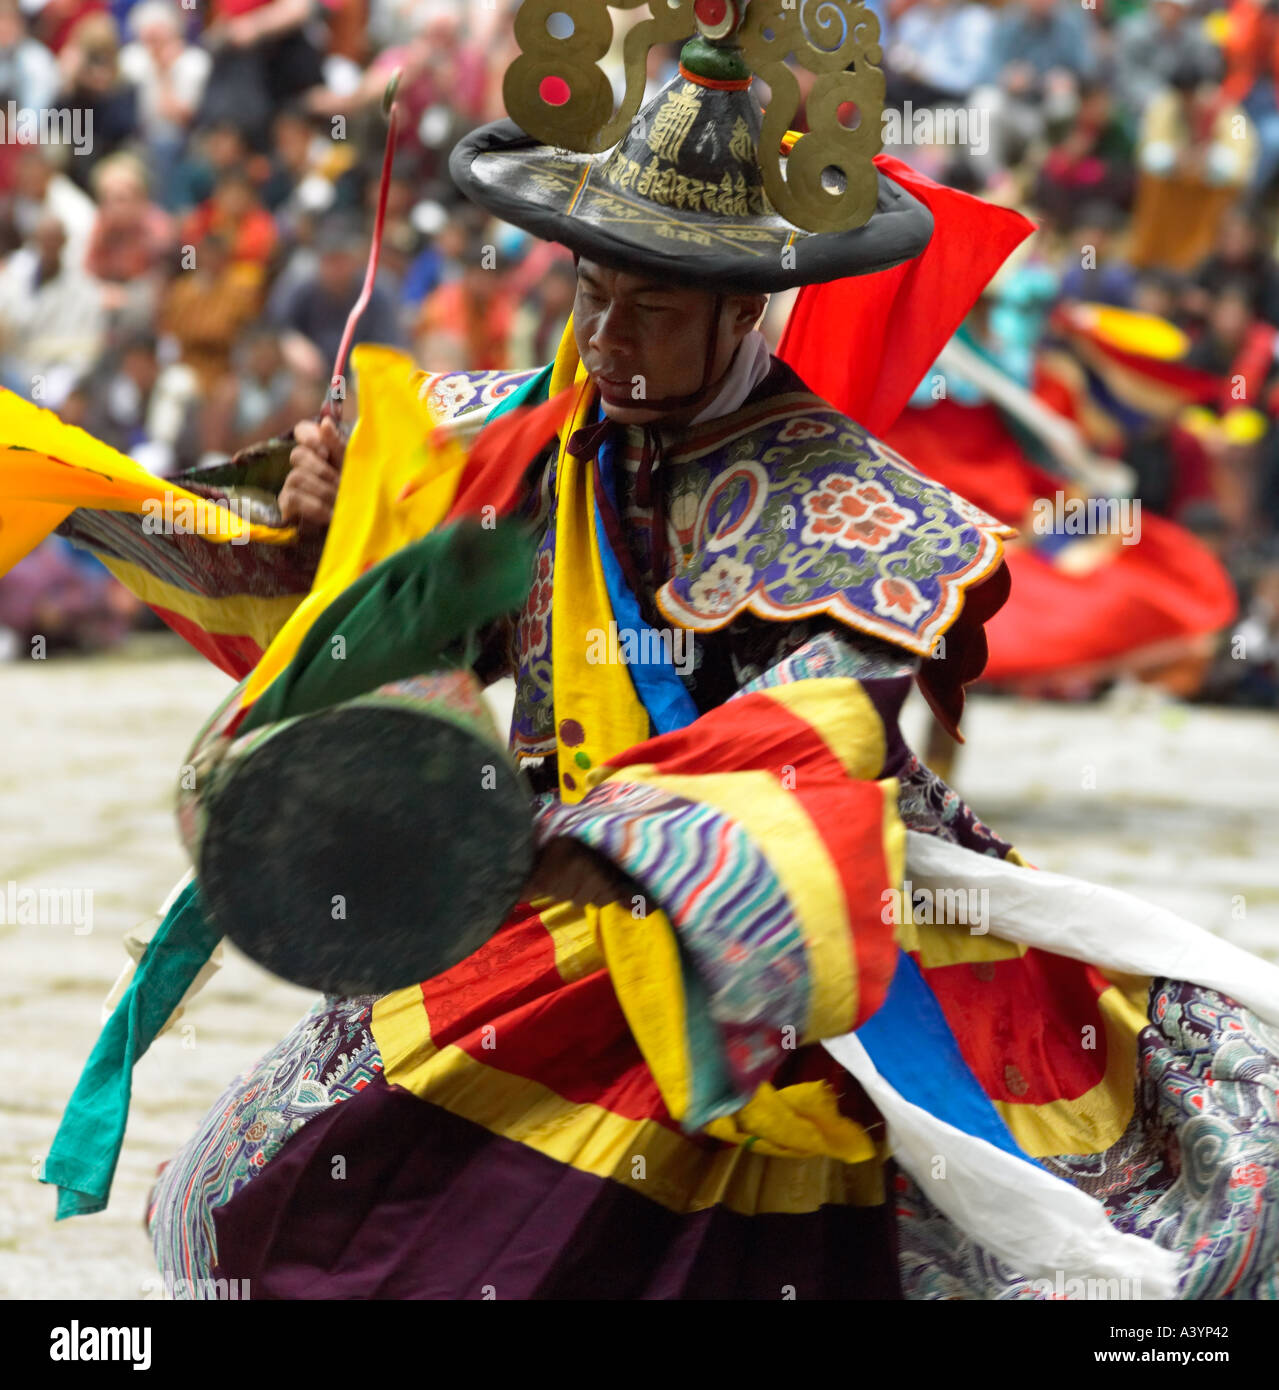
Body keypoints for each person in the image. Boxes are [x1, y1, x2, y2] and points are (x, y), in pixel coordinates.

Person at [24, 6, 1279, 1302]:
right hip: (533, 906)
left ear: (741, 312)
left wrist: (606, 842)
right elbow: (387, 635)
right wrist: (335, 515)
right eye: (592, 294)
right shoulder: (523, 436)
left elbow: (819, 735)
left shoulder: (850, 510)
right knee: (265, 1191)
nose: (611, 340)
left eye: (653, 308)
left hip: (776, 932)